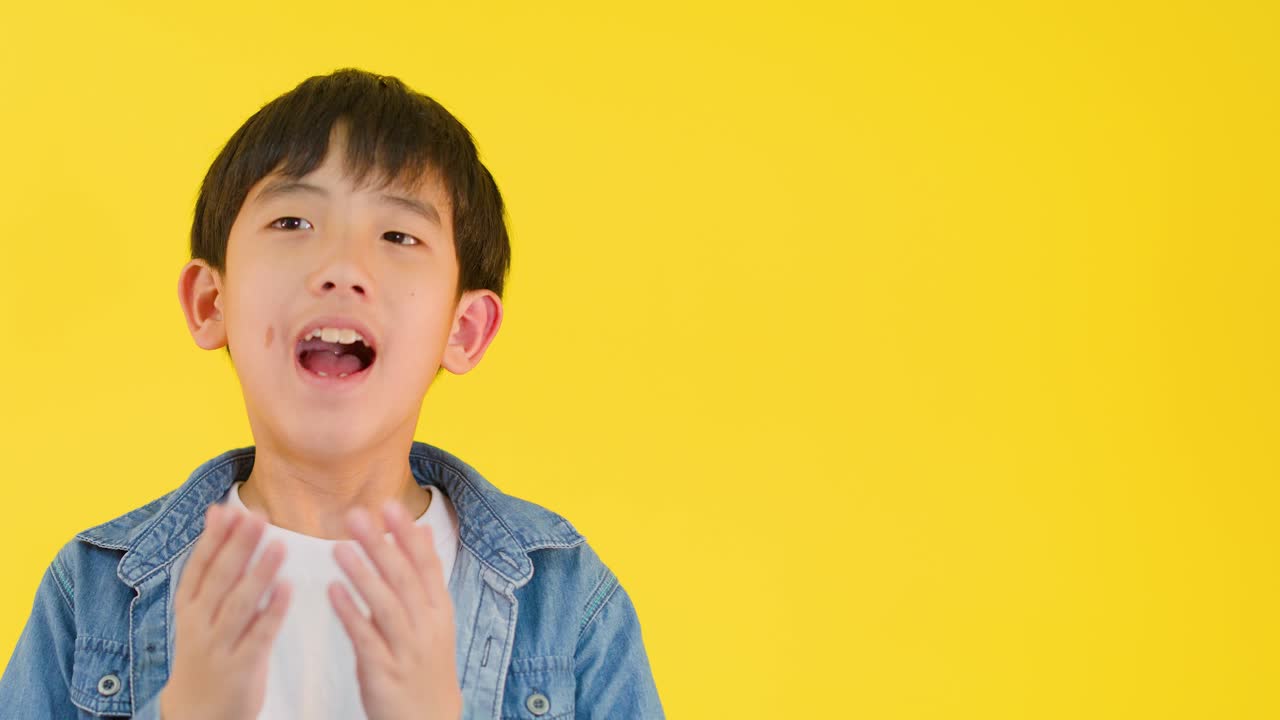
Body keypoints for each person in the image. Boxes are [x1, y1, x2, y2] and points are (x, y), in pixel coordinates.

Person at [0, 68, 663, 720]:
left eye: (399, 236)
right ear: (211, 301)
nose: (342, 268)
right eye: (292, 223)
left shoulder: (566, 601)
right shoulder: (91, 596)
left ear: (463, 329)